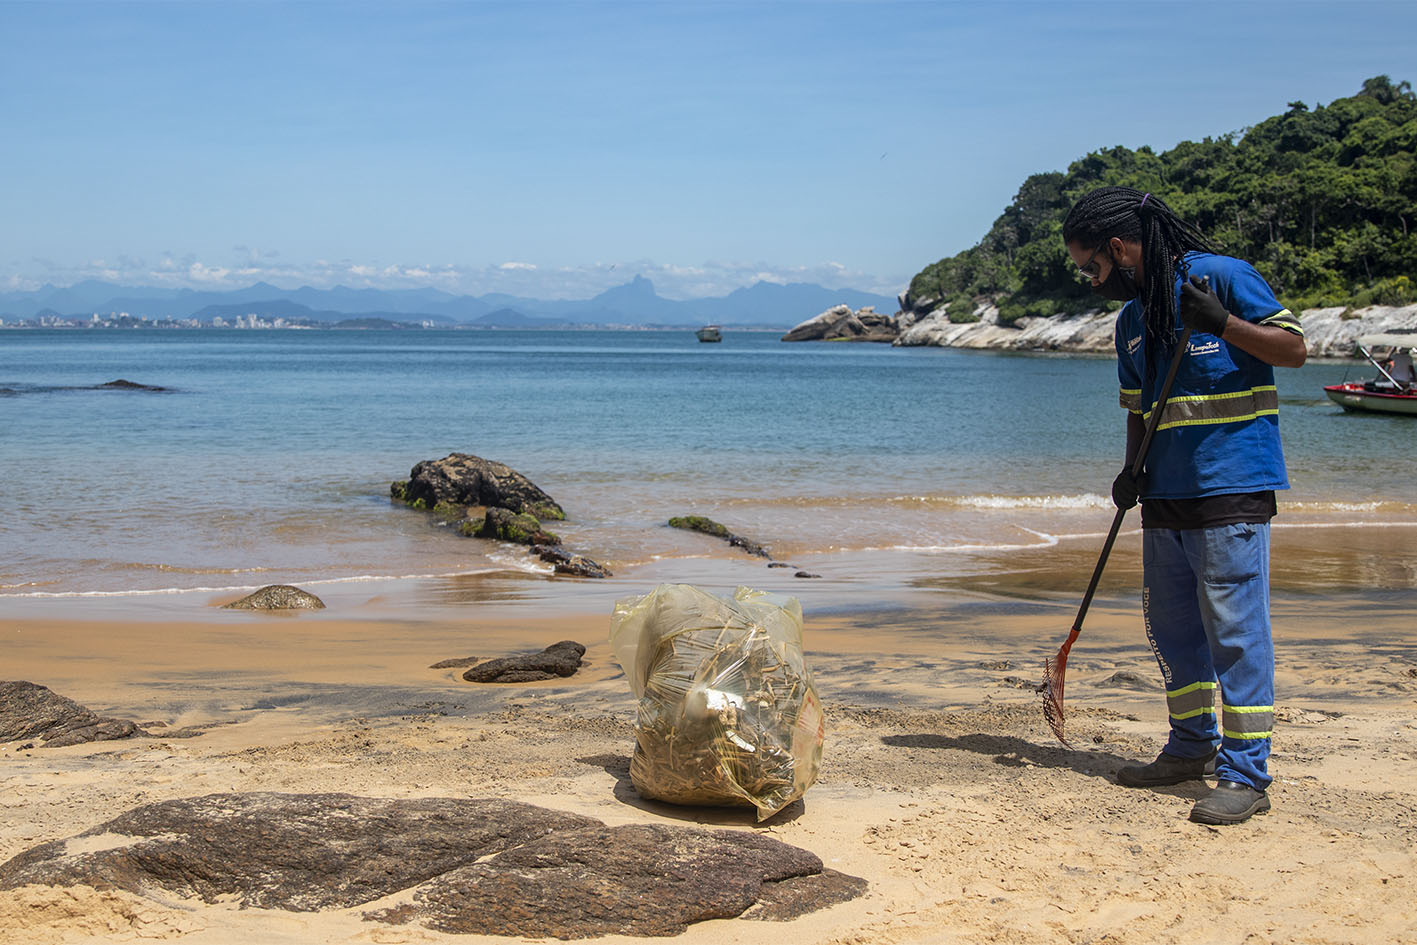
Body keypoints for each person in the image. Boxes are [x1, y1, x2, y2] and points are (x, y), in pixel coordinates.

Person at [1061, 186, 1307, 825]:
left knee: (1234, 633)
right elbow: (1139, 405)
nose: (1092, 281)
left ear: (1120, 247)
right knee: (1173, 629)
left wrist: (1221, 322)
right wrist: (1129, 469)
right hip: (1163, 496)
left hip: (1231, 491)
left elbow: (1294, 351)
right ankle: (1191, 743)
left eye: (1093, 266)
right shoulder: (1131, 319)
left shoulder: (1221, 278)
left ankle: (1246, 772)